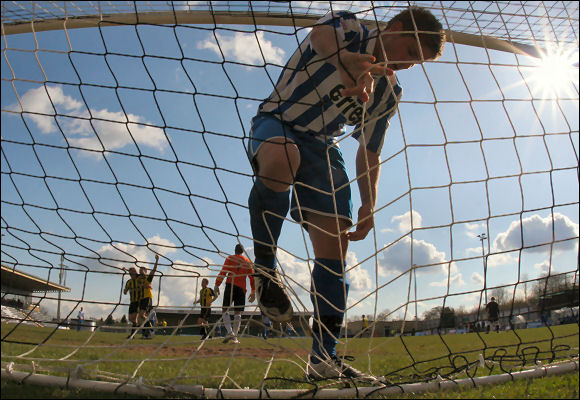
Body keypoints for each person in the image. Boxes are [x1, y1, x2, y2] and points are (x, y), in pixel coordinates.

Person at [246, 6, 445, 381]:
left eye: (419, 62)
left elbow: (369, 150)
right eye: (412, 52)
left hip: (323, 148)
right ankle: (265, 270)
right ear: (396, 28)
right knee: (282, 155)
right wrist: (343, 61)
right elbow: (319, 35)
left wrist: (370, 202)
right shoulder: (349, 27)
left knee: (335, 247)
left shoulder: (389, 90)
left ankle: (324, 358)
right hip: (279, 121)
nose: (410, 64)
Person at [214, 244, 256, 344]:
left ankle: (230, 332)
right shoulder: (247, 261)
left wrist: (217, 284)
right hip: (242, 289)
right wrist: (253, 291)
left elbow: (223, 272)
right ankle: (235, 338)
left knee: (225, 309)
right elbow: (252, 277)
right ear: (242, 251)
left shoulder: (230, 258)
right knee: (238, 313)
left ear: (235, 250)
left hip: (230, 285)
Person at [137, 254, 160, 338]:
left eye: (142, 270)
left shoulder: (148, 278)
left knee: (142, 315)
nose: (140, 271)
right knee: (141, 316)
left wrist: (157, 261)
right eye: (140, 270)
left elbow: (154, 270)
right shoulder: (138, 279)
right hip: (141, 299)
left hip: (147, 298)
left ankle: (150, 328)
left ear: (145, 271)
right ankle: (145, 333)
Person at [123, 267, 141, 338]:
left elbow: (141, 275)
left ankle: (132, 334)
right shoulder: (129, 282)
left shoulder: (139, 279)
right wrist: (125, 291)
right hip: (132, 302)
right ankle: (136, 326)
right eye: (130, 273)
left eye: (133, 273)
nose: (131, 275)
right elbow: (125, 292)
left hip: (138, 301)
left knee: (134, 318)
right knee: (130, 319)